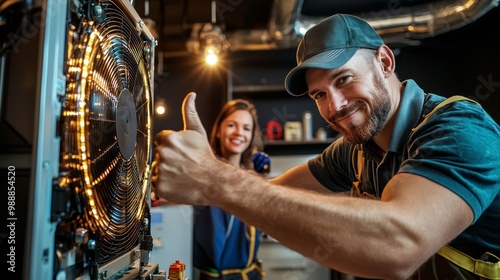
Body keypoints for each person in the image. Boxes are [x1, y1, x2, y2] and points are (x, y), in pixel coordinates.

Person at [152, 14, 500, 279]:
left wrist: (214, 180)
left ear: (385, 62)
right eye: (319, 94)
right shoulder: (357, 148)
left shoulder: (459, 129)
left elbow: (400, 244)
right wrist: (195, 188)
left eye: (344, 79)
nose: (334, 107)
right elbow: (269, 197)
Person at [193, 99, 270, 280]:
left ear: (252, 135)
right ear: (219, 130)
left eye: (246, 128)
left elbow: (266, 225)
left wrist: (263, 184)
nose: (239, 133)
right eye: (232, 125)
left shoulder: (253, 178)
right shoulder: (201, 176)